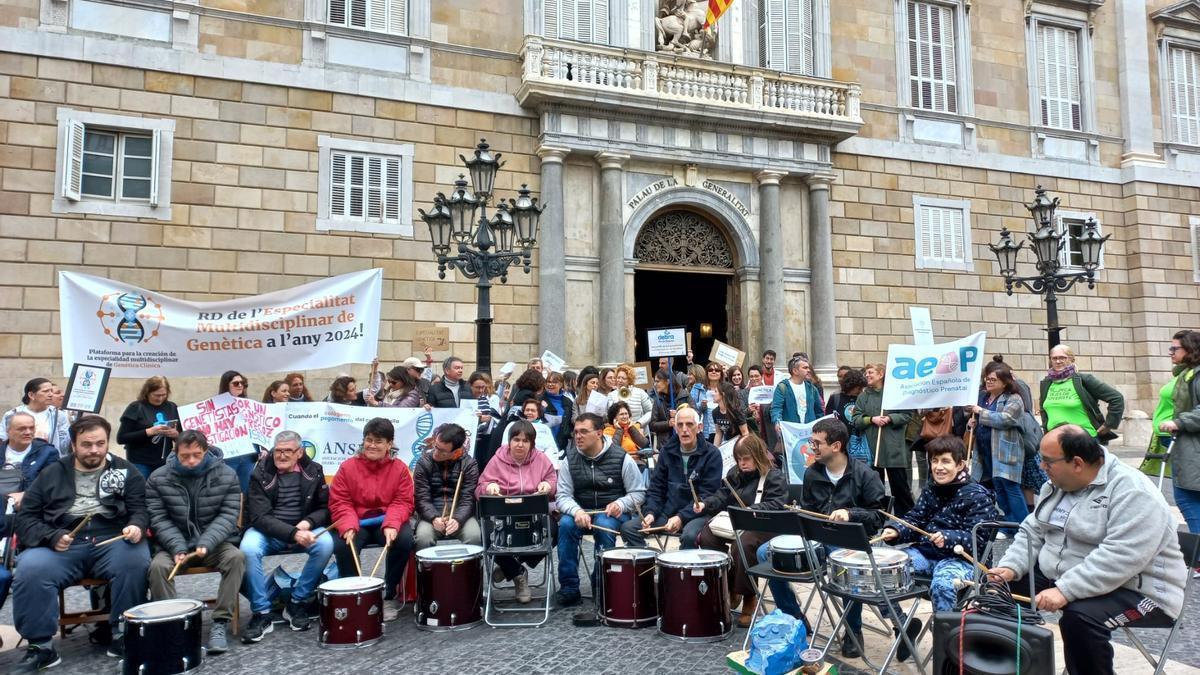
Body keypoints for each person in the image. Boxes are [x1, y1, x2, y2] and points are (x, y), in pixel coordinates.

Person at [988, 425, 1188, 675]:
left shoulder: (1134, 492)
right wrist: (1010, 566)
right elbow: (1033, 530)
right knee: (997, 592)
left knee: (1080, 619)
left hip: (1140, 589)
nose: (1042, 467)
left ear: (1078, 463)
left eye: (1048, 461)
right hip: (1071, 575)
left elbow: (1120, 558)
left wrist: (1064, 590)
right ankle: (1013, 667)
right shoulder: (1059, 482)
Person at [10, 417, 150, 671]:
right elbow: (27, 517)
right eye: (87, 444)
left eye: (100, 443)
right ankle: (41, 646)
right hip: (62, 541)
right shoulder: (52, 472)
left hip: (112, 538)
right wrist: (50, 536)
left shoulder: (126, 470)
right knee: (31, 568)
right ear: (73, 445)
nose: (94, 450)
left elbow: (140, 508)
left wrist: (137, 526)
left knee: (135, 561)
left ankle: (124, 633)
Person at [757, 417, 886, 659]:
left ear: (836, 446)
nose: (811, 447)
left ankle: (853, 630)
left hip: (850, 544)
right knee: (765, 553)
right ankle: (795, 617)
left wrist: (850, 513)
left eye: (816, 443)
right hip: (816, 538)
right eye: (811, 442)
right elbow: (808, 510)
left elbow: (878, 517)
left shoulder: (865, 475)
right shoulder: (812, 473)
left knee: (846, 565)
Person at [146, 429, 244, 655]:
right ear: (175, 452)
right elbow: (158, 518)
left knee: (236, 558)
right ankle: (173, 626)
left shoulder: (226, 474)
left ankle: (220, 622)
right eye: (185, 456)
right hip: (173, 545)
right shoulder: (158, 477)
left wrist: (207, 541)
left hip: (214, 543)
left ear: (206, 451)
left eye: (196, 455)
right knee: (158, 567)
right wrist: (177, 546)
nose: (191, 461)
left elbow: (228, 515)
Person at [878, 435, 997, 612]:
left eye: (945, 461)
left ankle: (945, 633)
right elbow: (915, 519)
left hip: (963, 561)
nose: (938, 467)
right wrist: (897, 530)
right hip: (928, 553)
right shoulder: (931, 489)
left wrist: (948, 538)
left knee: (943, 584)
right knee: (883, 571)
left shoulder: (978, 496)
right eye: (934, 461)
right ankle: (902, 627)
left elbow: (979, 540)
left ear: (960, 465)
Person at [240, 430, 333, 641]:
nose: (281, 456)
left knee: (326, 543)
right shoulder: (260, 472)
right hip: (267, 530)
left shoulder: (314, 470)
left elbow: (325, 508)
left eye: (288, 451)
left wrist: (307, 523)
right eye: (278, 451)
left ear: (299, 452)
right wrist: (293, 533)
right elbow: (259, 517)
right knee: (248, 548)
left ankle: (297, 602)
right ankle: (261, 613)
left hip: (302, 527)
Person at [554, 412, 645, 607]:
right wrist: (576, 511)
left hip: (613, 513)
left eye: (583, 432)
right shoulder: (569, 460)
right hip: (581, 511)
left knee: (604, 524)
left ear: (599, 433)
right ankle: (569, 588)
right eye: (576, 432)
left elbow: (638, 493)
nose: (578, 436)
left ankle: (600, 583)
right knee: (566, 525)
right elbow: (562, 495)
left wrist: (620, 504)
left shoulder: (622, 458)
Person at [329, 418, 416, 621]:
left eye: (378, 441)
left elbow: (403, 501)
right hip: (357, 520)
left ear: (389, 444)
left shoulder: (400, 468)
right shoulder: (348, 467)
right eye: (368, 440)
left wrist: (393, 524)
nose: (372, 446)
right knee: (343, 544)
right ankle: (355, 594)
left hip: (386, 519)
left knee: (403, 540)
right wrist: (348, 524)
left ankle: (388, 594)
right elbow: (341, 501)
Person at [695, 435, 787, 627]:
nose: (741, 463)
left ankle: (749, 595)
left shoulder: (773, 475)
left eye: (746, 459)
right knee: (707, 537)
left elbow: (778, 503)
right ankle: (727, 585)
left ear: (757, 455)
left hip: (765, 525)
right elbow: (722, 495)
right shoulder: (735, 473)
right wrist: (706, 504)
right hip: (738, 521)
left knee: (742, 545)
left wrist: (755, 510)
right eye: (739, 459)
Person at [477, 420, 556, 603]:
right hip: (503, 517)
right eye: (516, 439)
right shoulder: (497, 460)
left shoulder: (541, 459)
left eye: (525, 441)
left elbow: (553, 480)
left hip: (534, 515)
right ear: (509, 441)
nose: (520, 444)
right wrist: (489, 487)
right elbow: (481, 486)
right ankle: (518, 575)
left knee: (554, 532)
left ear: (532, 444)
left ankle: (509, 568)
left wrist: (548, 485)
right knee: (485, 536)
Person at [620, 407, 722, 548]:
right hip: (668, 512)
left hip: (698, 514)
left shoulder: (712, 454)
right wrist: (650, 512)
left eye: (689, 424)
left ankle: (684, 569)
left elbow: (708, 494)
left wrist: (681, 517)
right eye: (680, 425)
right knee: (629, 528)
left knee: (689, 537)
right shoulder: (667, 451)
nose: (684, 429)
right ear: (675, 427)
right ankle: (650, 564)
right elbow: (656, 488)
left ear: (699, 427)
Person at [967, 363, 1029, 528]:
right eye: (987, 379)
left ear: (1004, 382)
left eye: (993, 380)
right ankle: (1009, 526)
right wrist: (972, 423)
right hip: (985, 451)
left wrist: (981, 412)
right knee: (999, 490)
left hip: (1005, 451)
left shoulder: (1014, 398)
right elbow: (977, 419)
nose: (989, 382)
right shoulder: (983, 397)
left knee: (1011, 488)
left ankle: (1024, 527)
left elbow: (1007, 419)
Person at [852, 363, 915, 515]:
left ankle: (906, 516)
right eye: (866, 372)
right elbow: (856, 418)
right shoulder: (863, 396)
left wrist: (890, 418)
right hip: (872, 449)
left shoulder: (895, 394)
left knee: (899, 486)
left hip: (892, 447)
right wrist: (871, 419)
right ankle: (878, 514)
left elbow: (907, 415)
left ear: (881, 374)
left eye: (870, 372)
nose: (867, 375)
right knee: (874, 487)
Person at [412, 423, 481, 551]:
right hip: (431, 515)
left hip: (460, 515)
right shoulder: (424, 462)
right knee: (423, 538)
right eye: (435, 446)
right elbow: (421, 497)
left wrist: (458, 519)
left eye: (442, 451)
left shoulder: (469, 464)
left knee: (474, 536)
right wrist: (433, 518)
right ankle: (426, 571)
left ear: (456, 451)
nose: (436, 452)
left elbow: (468, 498)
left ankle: (469, 571)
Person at [1159, 329, 1200, 541]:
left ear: (1190, 349)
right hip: (1188, 446)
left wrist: (1178, 422)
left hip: (1193, 447)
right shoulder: (1187, 374)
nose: (1170, 352)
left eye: (1175, 348)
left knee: (1186, 498)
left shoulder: (1197, 374)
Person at [1039, 344, 1124, 442]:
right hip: (1055, 441)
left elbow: (1116, 398)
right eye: (1054, 358)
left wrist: (1109, 425)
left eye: (1062, 358)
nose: (1058, 361)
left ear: (1072, 360)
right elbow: (1043, 410)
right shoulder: (1047, 383)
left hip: (1084, 440)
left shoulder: (1083, 380)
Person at [0, 413, 60, 538]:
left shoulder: (47, 453)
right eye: (21, 428)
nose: (28, 432)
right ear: (8, 431)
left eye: (31, 428)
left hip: (29, 508)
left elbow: (52, 485)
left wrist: (26, 495)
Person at [117, 376, 181, 481]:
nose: (160, 398)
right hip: (140, 462)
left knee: (162, 493)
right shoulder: (136, 407)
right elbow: (121, 438)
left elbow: (182, 435)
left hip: (165, 461)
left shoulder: (172, 407)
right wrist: (149, 432)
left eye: (163, 395)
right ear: (147, 392)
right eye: (156, 395)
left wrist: (176, 435)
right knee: (140, 491)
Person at [1, 378, 70, 455]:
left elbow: (64, 447)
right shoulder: (13, 414)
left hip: (49, 461)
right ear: (31, 395)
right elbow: (3, 439)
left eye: (51, 391)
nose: (51, 394)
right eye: (45, 391)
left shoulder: (58, 415)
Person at [217, 370, 259, 493]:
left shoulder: (250, 405)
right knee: (227, 489)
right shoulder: (216, 406)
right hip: (228, 456)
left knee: (245, 490)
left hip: (248, 455)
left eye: (242, 383)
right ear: (226, 385)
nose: (240, 385)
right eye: (236, 383)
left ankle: (244, 512)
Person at [770, 355, 824, 446]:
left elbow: (819, 411)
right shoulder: (782, 387)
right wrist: (777, 422)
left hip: (810, 435)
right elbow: (776, 408)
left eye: (808, 367)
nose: (809, 370)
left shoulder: (812, 389)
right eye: (805, 368)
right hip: (791, 436)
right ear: (795, 371)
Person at [825, 368, 870, 465]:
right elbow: (828, 419)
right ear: (851, 386)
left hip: (859, 440)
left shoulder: (862, 398)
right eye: (858, 388)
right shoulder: (835, 398)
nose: (861, 390)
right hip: (840, 442)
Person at [648, 369, 692, 448]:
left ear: (667, 381)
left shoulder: (684, 395)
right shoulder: (658, 399)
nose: (655, 384)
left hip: (684, 442)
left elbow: (695, 413)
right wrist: (668, 423)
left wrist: (679, 414)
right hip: (665, 445)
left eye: (657, 381)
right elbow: (652, 425)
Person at [469, 371, 502, 469]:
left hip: (485, 440)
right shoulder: (466, 398)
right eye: (477, 388)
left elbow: (490, 416)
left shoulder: (484, 399)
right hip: (470, 440)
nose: (481, 390)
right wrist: (479, 419)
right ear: (470, 386)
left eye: (483, 387)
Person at [603, 401, 650, 467]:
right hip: (619, 464)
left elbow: (645, 444)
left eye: (626, 413)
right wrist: (619, 430)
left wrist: (631, 428)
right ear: (614, 418)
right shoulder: (608, 431)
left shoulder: (634, 427)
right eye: (621, 414)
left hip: (637, 462)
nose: (625, 416)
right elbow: (613, 449)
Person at [543, 371, 575, 450]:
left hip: (563, 444)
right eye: (548, 382)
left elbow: (571, 422)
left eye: (554, 382)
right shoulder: (539, 399)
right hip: (544, 441)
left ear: (561, 384)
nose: (550, 384)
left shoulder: (568, 402)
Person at [712, 381, 749, 446]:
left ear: (723, 394)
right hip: (727, 444)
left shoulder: (736, 411)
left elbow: (745, 433)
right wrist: (715, 450)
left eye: (715, 391)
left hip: (740, 445)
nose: (713, 394)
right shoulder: (715, 412)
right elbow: (718, 433)